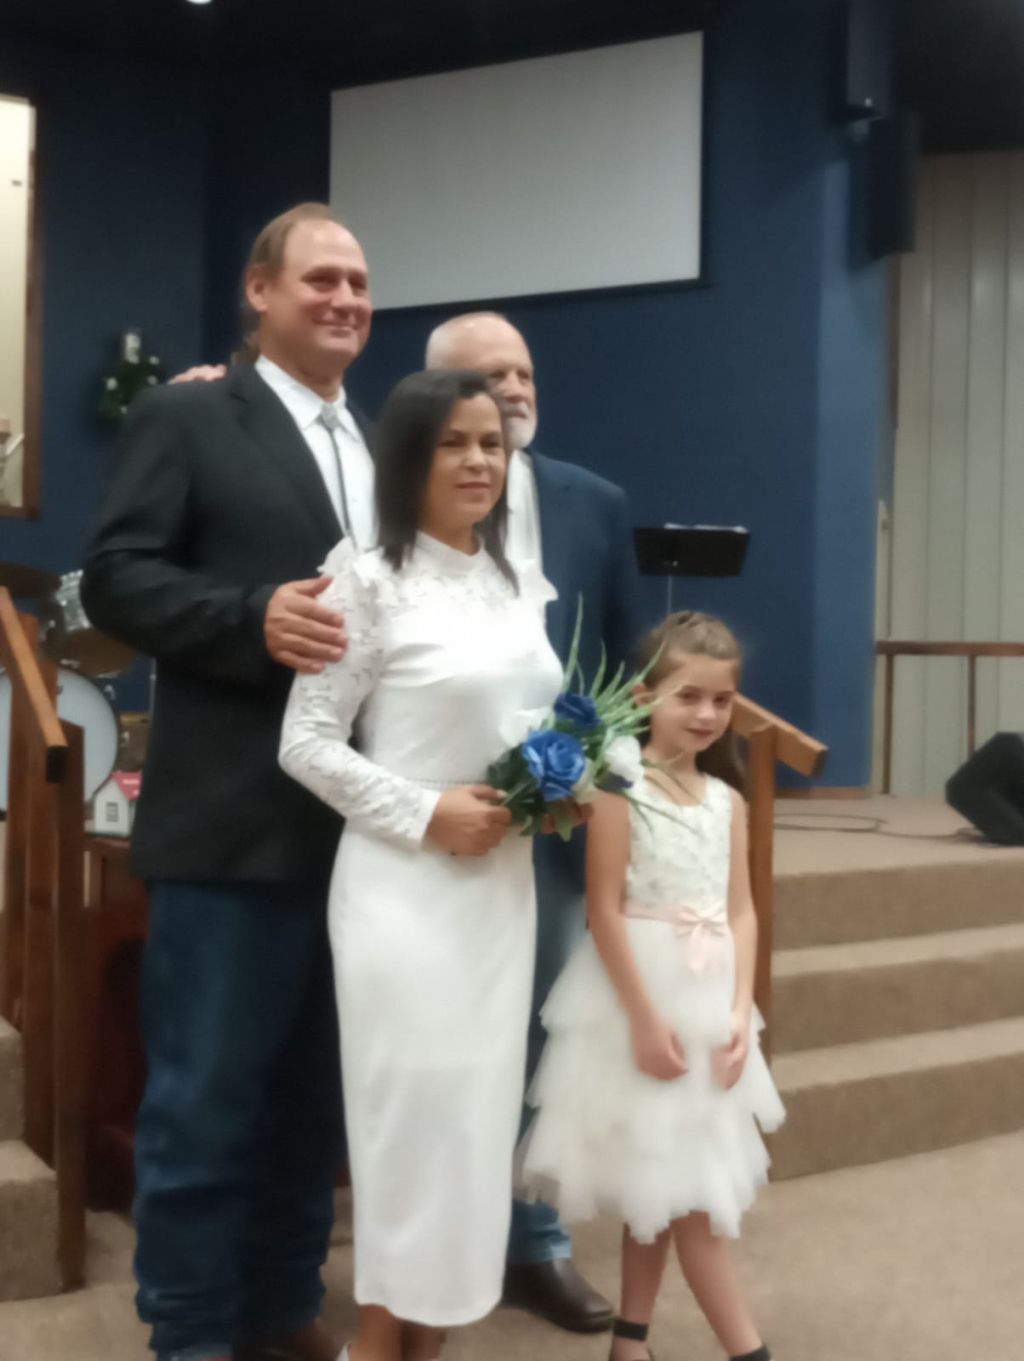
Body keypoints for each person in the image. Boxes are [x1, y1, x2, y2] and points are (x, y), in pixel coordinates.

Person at [80, 202, 373, 1361]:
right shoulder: (191, 413)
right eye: (320, 278)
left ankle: (281, 1301)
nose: (344, 298)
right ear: (260, 291)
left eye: (357, 280)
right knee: (206, 1101)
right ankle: (192, 1330)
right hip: (229, 826)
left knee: (315, 1102)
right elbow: (116, 578)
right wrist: (249, 615)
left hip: (363, 833)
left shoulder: (386, 446)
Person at [278, 368, 564, 1361]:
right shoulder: (362, 575)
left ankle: (430, 1339)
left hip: (499, 892)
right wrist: (423, 812)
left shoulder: (513, 577)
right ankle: (374, 1341)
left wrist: (558, 783)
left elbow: (533, 717)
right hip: (402, 894)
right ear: (409, 457)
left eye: (492, 442)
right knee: (408, 1124)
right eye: (455, 443)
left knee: (473, 1131)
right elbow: (306, 741)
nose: (480, 460)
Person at [424, 313, 640, 1334]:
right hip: (427, 829)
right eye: (487, 375)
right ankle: (440, 1240)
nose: (513, 387)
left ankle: (535, 1243)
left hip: (555, 829)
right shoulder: (403, 502)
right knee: (443, 1037)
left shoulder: (595, 502)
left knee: (541, 1031)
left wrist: (596, 776)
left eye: (524, 372)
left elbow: (629, 667)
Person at [517, 611, 785, 1361]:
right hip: (638, 996)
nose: (705, 714)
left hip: (710, 1001)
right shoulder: (617, 788)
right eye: (688, 696)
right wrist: (641, 1016)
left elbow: (740, 909)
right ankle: (748, 1350)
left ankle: (629, 1344)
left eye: (722, 700)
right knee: (693, 1200)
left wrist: (740, 1009)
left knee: (663, 1188)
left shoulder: (728, 801)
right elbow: (601, 908)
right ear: (646, 695)